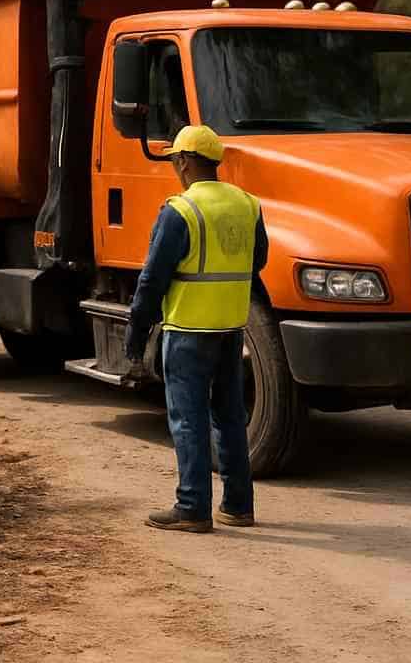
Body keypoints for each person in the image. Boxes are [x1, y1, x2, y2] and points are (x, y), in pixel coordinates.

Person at [123, 124, 268, 533]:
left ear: (184, 161)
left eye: (174, 160)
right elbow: (258, 260)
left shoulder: (180, 210)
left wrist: (136, 330)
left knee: (188, 419)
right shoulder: (248, 205)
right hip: (230, 328)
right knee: (230, 417)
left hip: (188, 330)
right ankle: (238, 507)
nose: (174, 167)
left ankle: (193, 507)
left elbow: (153, 278)